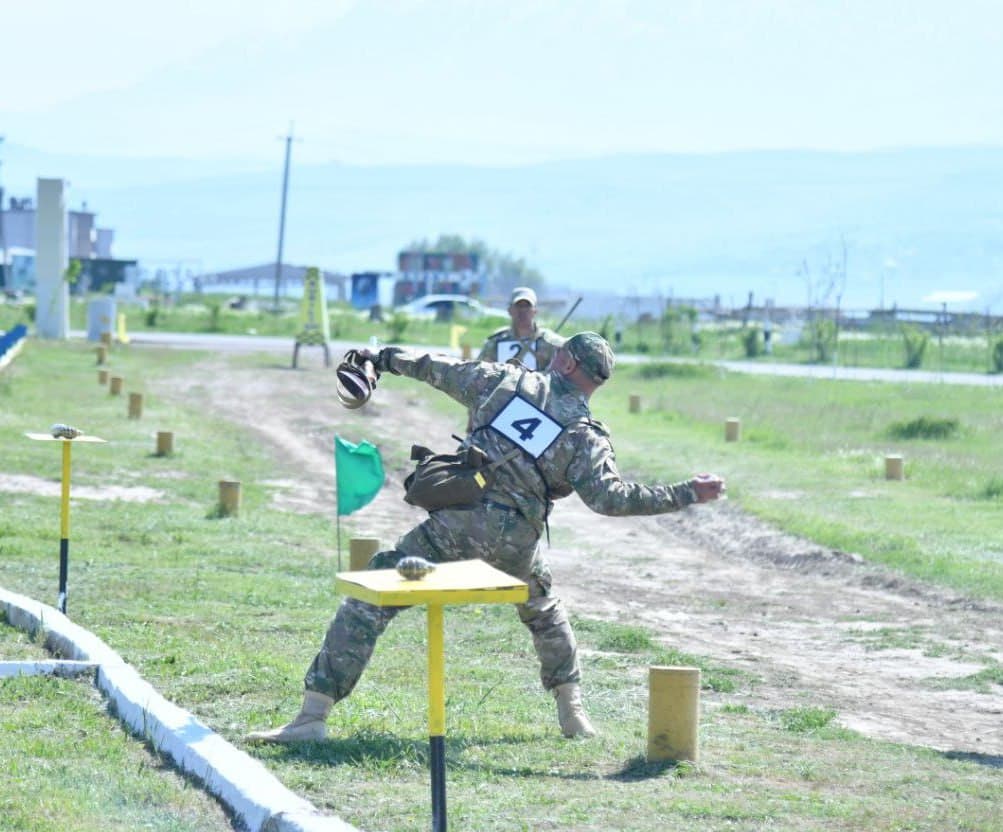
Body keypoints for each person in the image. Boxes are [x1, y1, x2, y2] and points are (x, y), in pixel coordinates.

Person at [247, 332, 725, 744]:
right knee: (543, 607)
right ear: (595, 383)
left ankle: (313, 715)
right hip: (516, 547)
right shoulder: (587, 436)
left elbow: (437, 367)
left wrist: (383, 358)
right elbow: (611, 499)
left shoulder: (504, 382)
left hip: (453, 531)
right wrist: (687, 492)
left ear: (565, 361)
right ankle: (572, 712)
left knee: (372, 593)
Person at [477, 286, 564, 371]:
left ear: (535, 311)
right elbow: (481, 372)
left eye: (527, 306)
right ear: (510, 310)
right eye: (518, 306)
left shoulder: (549, 340)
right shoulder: (496, 341)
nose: (522, 311)